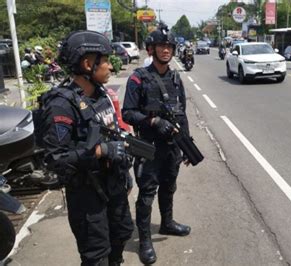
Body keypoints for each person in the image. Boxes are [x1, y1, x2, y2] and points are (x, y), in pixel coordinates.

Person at [41, 30, 134, 266]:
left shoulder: (101, 95)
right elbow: (55, 158)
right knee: (96, 256)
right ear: (87, 64)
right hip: (87, 195)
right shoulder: (61, 105)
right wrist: (102, 151)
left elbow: (111, 130)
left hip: (113, 184)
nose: (111, 67)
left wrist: (123, 160)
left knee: (122, 235)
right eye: (104, 61)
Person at [122, 25, 191, 265]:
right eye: (161, 46)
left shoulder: (175, 77)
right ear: (151, 49)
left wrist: (186, 144)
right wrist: (152, 120)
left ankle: (168, 223)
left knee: (169, 186)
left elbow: (181, 113)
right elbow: (128, 113)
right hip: (148, 146)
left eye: (169, 46)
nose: (165, 50)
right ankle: (144, 240)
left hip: (172, 146)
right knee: (147, 193)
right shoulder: (138, 78)